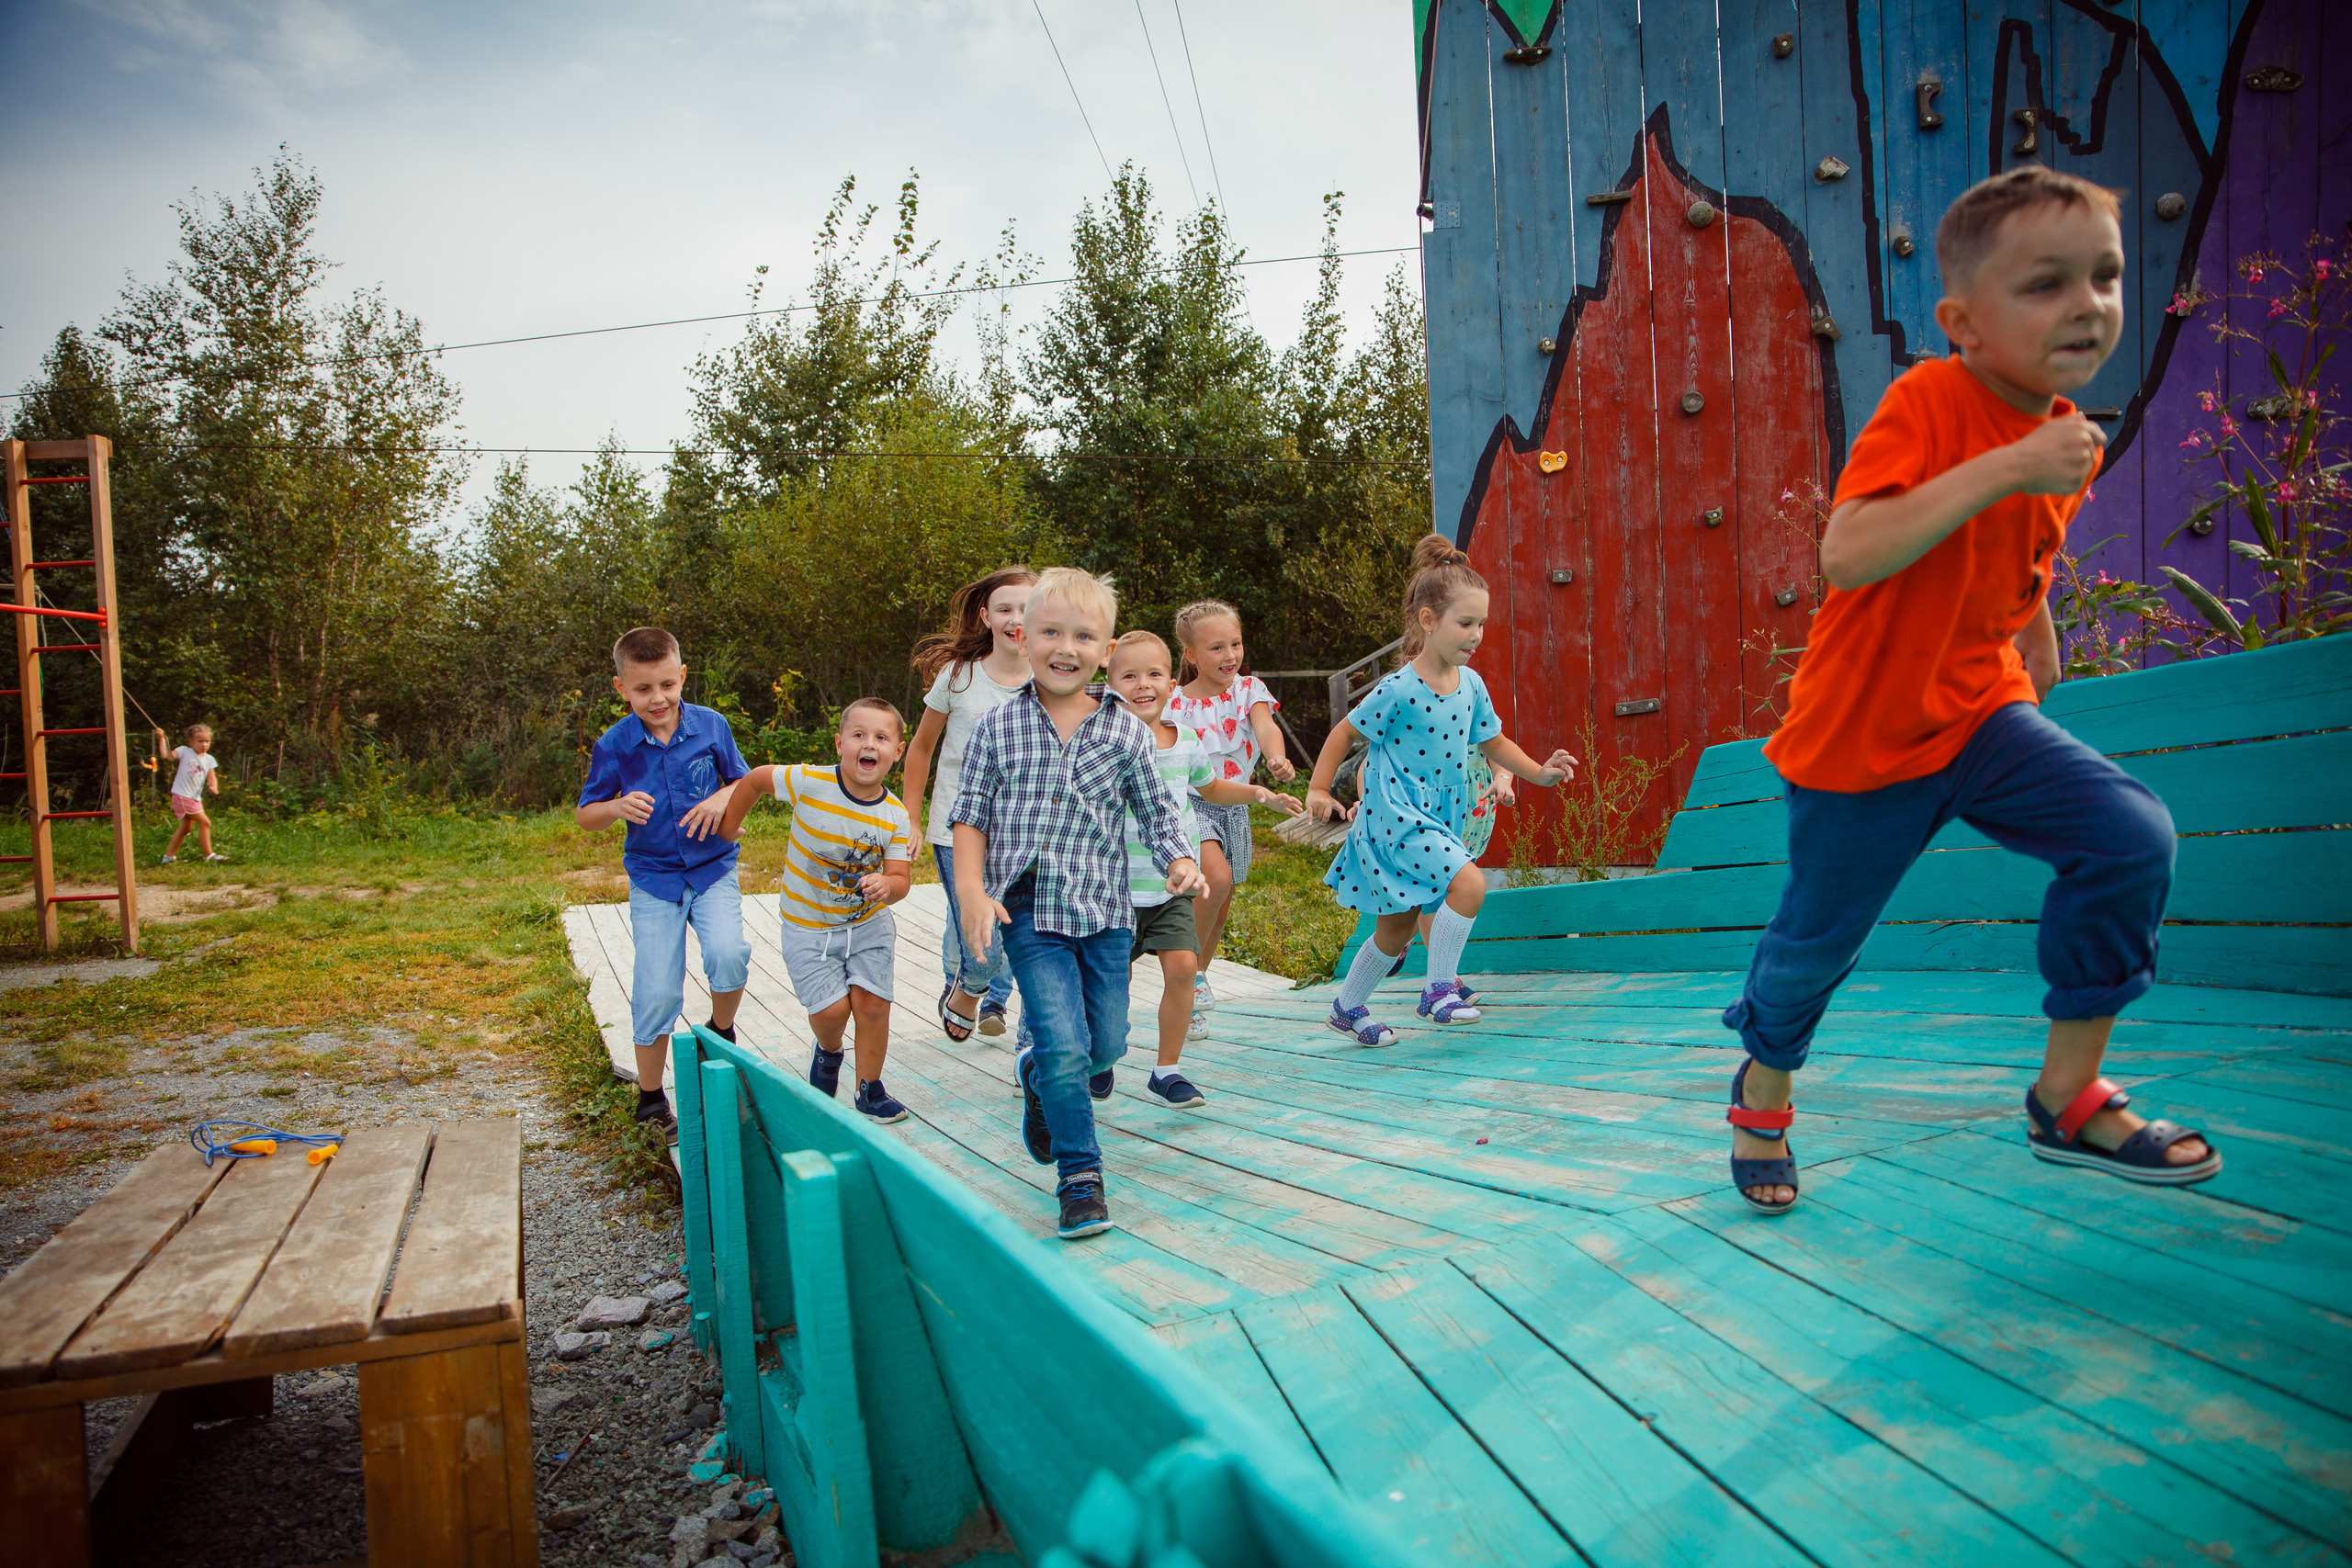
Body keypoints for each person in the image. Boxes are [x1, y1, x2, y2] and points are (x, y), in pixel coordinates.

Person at [1719, 165, 2211, 1214]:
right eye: (2045, 284)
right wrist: (2009, 467)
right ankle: (1764, 1083)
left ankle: (2067, 1094)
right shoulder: (1932, 401)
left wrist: (2032, 629)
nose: (2086, 304)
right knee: (1814, 952)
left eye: (2106, 278)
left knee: (2131, 838)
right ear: (1963, 323)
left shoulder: (2061, 435)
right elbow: (1850, 551)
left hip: (1981, 713)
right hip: (1863, 741)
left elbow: (2004, 552)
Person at [950, 568, 1205, 1240]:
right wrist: (972, 891)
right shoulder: (998, 727)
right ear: (1023, 636)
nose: (1066, 646)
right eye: (1051, 632)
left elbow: (1157, 812)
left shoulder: (1125, 731)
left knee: (1106, 1043)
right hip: (1029, 908)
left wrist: (1180, 859)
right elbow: (969, 816)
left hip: (1105, 912)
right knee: (1064, 1042)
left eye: (1083, 635)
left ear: (1106, 649)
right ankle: (1081, 1177)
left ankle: (1038, 1076)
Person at [1306, 536, 1577, 1046]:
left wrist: (1540, 773)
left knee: (1396, 929)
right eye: (1465, 623)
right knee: (1470, 885)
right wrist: (1319, 787)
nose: (1476, 635)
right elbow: (1345, 732)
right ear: (1428, 620)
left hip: (1442, 814)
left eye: (1481, 625)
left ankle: (1346, 1007)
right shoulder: (1398, 688)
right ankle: (1438, 991)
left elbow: (1492, 740)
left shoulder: (1472, 684)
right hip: (1398, 815)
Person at [1103, 631, 1304, 1104]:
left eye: (1153, 674)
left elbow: (1211, 788)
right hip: (1114, 891)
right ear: (1108, 686)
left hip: (1174, 886)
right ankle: (1103, 1056)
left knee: (1183, 968)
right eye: (1128, 676)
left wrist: (1259, 793)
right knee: (1115, 985)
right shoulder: (1103, 743)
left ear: (1172, 684)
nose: (1142, 684)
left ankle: (1166, 1070)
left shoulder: (1186, 741)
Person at [576, 626, 751, 1139]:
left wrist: (724, 798)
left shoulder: (711, 726)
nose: (658, 699)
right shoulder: (614, 746)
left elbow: (742, 780)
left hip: (714, 868)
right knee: (655, 989)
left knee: (729, 953)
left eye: (667, 686)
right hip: (654, 880)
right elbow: (587, 815)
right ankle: (651, 1098)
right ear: (621, 688)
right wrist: (614, 806)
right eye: (643, 689)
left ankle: (720, 1030)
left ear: (682, 677)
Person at [718, 699, 915, 1124]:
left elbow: (901, 878)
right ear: (840, 743)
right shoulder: (810, 781)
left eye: (882, 738)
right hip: (809, 926)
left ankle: (869, 1089)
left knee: (873, 1003)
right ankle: (829, 1053)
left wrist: (888, 885)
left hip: (868, 926)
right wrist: (728, 828)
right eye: (859, 735)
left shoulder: (895, 815)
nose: (869, 744)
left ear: (897, 752)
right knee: (831, 1012)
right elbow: (753, 780)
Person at [902, 568, 1034, 1043]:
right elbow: (920, 749)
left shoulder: (1051, 678)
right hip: (957, 827)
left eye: (1027, 608)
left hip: (1023, 833)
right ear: (986, 617)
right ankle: (971, 989)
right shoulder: (958, 677)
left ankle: (991, 996)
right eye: (1004, 608)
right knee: (981, 937)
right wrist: (910, 819)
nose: (1016, 618)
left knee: (1001, 923)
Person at [1165, 600, 1295, 1035]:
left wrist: (1276, 758)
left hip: (1235, 804)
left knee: (1219, 909)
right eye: (1216, 647)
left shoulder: (1248, 690)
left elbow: (1265, 728)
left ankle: (1194, 985)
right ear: (1191, 655)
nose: (1230, 656)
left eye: (1235, 644)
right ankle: (1187, 972)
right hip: (1191, 803)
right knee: (1214, 880)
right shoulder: (1174, 703)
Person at [161, 724, 226, 863]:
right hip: (183, 796)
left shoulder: (209, 759)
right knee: (205, 823)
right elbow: (166, 756)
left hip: (194, 798)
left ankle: (168, 857)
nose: (204, 744)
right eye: (200, 741)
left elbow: (211, 776)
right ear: (191, 741)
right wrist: (161, 738)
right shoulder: (184, 751)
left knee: (185, 828)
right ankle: (209, 855)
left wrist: (213, 785)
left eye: (207, 741)